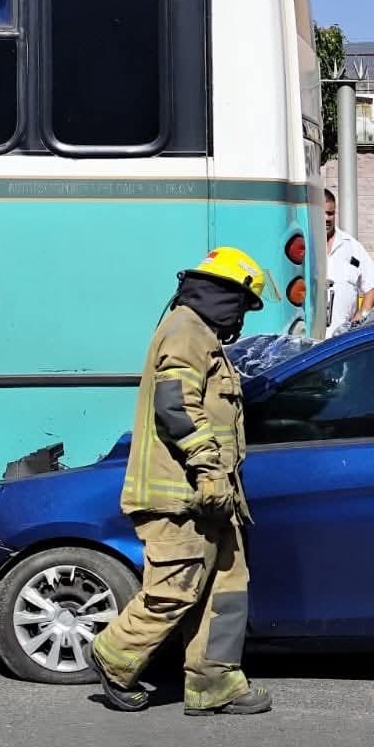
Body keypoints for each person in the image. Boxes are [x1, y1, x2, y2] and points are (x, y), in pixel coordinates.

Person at [89, 247, 274, 717]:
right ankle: (115, 655)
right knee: (176, 589)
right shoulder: (186, 331)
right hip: (181, 495)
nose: (242, 319)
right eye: (244, 306)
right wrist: (208, 467)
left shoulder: (201, 334)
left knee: (226, 588)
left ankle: (215, 684)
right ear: (226, 295)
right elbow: (175, 406)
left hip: (212, 496)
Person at [323, 189, 374, 336]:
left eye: (330, 213)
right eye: (321, 213)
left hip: (342, 341)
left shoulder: (350, 245)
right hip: (308, 340)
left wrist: (361, 317)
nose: (327, 218)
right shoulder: (302, 245)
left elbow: (373, 282)